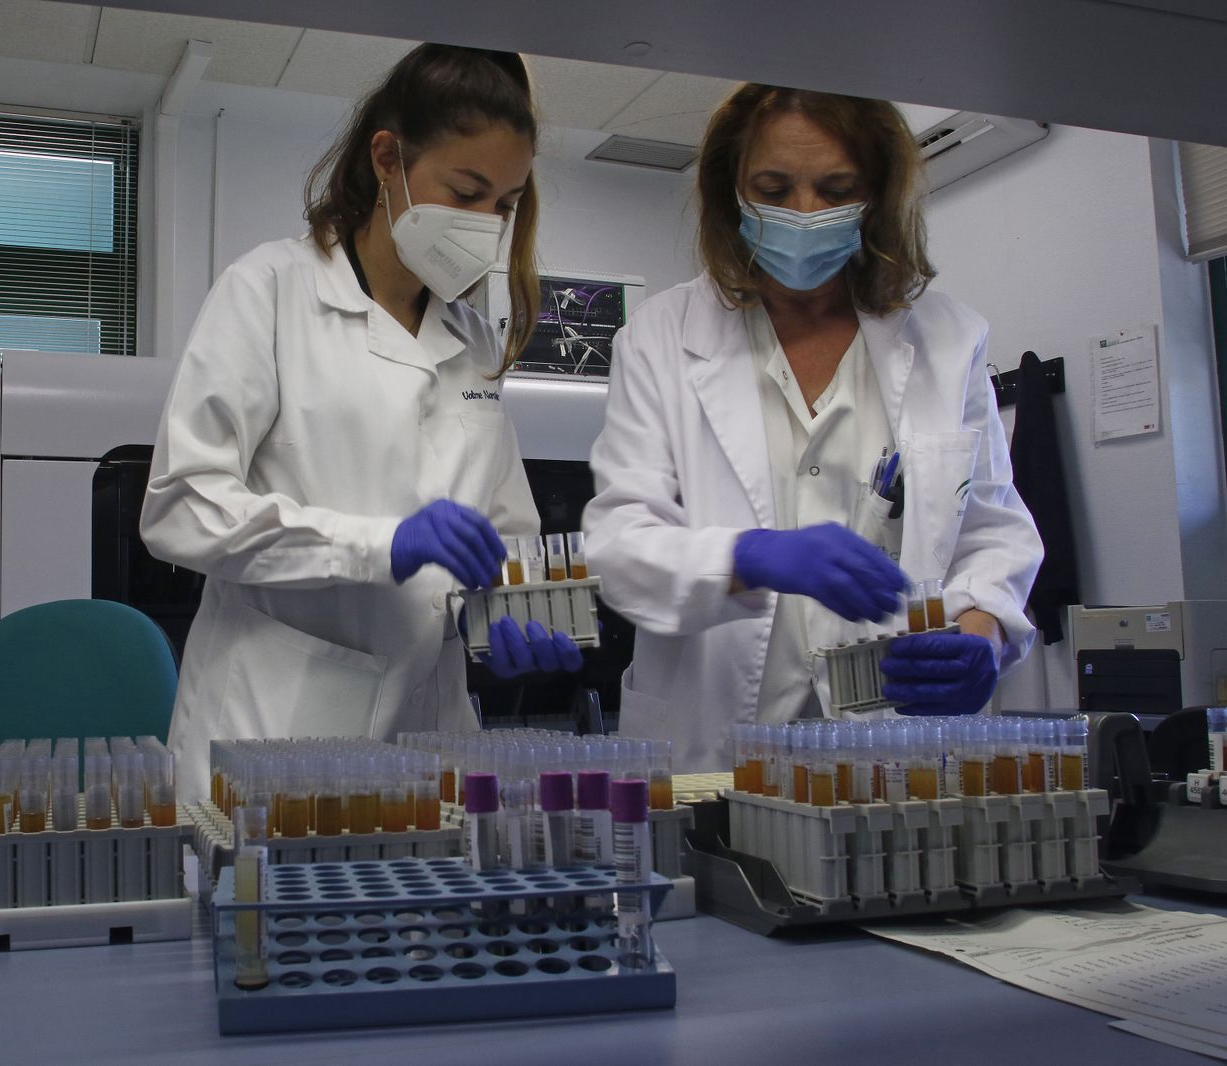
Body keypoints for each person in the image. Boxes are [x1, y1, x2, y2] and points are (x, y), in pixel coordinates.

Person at [142, 44, 582, 800]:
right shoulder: (269, 290)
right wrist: (382, 544)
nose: (485, 225)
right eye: (466, 192)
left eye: (504, 205)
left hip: (431, 733)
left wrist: (512, 618)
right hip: (276, 731)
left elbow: (506, 533)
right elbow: (181, 506)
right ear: (388, 159)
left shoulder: (474, 341)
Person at [583, 84, 1043, 771]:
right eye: (773, 190)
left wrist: (983, 635)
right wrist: (748, 557)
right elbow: (619, 547)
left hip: (891, 742)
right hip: (709, 743)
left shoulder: (949, 340)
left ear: (879, 195)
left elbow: (990, 530)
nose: (804, 214)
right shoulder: (659, 338)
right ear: (732, 192)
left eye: (836, 190)